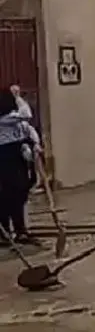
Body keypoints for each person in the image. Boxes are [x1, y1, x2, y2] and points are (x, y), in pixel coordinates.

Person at [0, 88, 40, 245]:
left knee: (20, 194)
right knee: (7, 196)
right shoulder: (4, 119)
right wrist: (17, 97)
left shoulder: (14, 120)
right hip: (5, 157)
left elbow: (27, 127)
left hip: (17, 157)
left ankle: (20, 230)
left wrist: (34, 143)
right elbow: (26, 113)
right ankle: (5, 231)